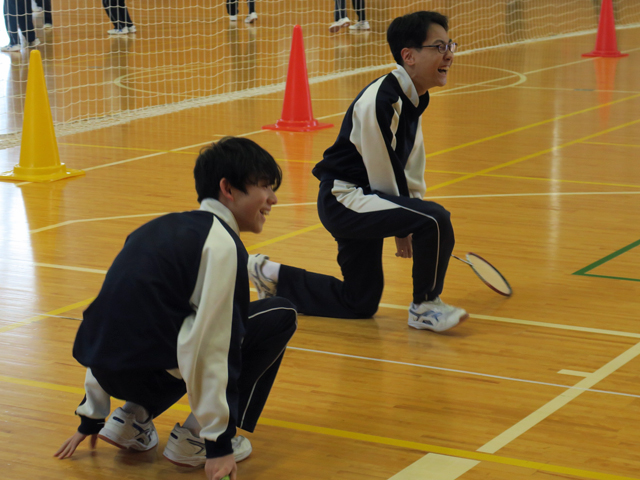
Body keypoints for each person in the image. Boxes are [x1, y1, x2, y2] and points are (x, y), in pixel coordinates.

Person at [54, 137, 298, 480]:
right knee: (278, 315)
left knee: (173, 322)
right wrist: (218, 443)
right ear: (227, 188)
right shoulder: (222, 246)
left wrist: (91, 416)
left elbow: (107, 318)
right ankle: (194, 438)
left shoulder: (153, 229)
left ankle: (130, 420)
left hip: (110, 374)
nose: (273, 199)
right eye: (263, 186)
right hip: (151, 376)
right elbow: (214, 346)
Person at [249, 11, 467, 333]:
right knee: (436, 219)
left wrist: (412, 208)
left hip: (367, 200)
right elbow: (382, 167)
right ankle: (425, 306)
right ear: (408, 56)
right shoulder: (382, 98)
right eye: (438, 46)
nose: (448, 53)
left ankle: (271, 275)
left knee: (359, 302)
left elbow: (411, 161)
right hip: (346, 198)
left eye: (450, 44)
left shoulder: (414, 97)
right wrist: (407, 223)